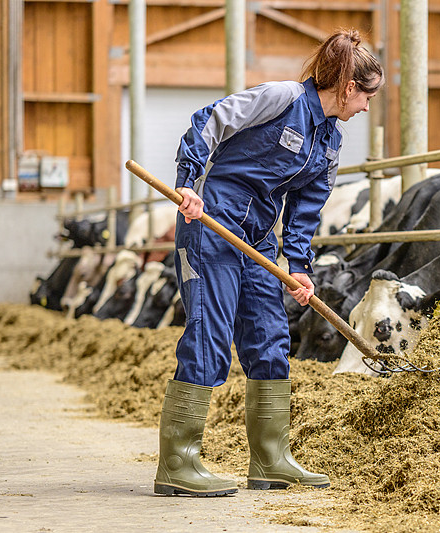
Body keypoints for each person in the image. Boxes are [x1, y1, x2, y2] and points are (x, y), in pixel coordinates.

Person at [153, 28, 384, 497]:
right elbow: (209, 120)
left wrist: (298, 265)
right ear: (347, 87)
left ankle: (270, 459)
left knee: (270, 338)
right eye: (367, 95)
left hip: (257, 240)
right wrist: (189, 182)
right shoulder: (280, 98)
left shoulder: (330, 144)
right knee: (209, 334)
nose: (366, 107)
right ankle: (177, 464)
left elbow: (304, 209)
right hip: (211, 223)